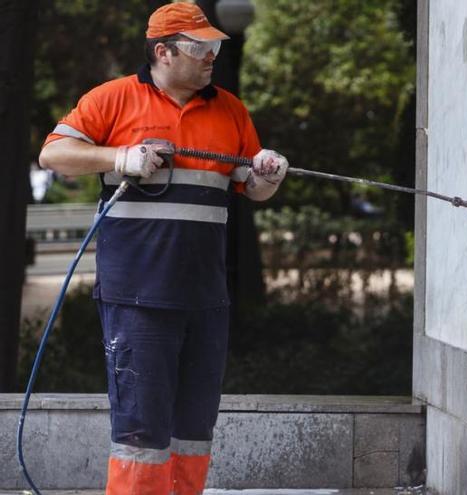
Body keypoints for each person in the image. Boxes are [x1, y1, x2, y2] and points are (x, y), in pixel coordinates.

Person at [38, 3, 287, 494]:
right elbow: (53, 154)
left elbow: (250, 188)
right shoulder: (113, 99)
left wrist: (268, 176)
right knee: (141, 429)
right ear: (163, 52)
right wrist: (119, 156)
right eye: (200, 49)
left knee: (194, 428)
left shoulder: (231, 109)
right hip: (138, 297)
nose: (211, 57)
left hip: (205, 297)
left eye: (214, 47)